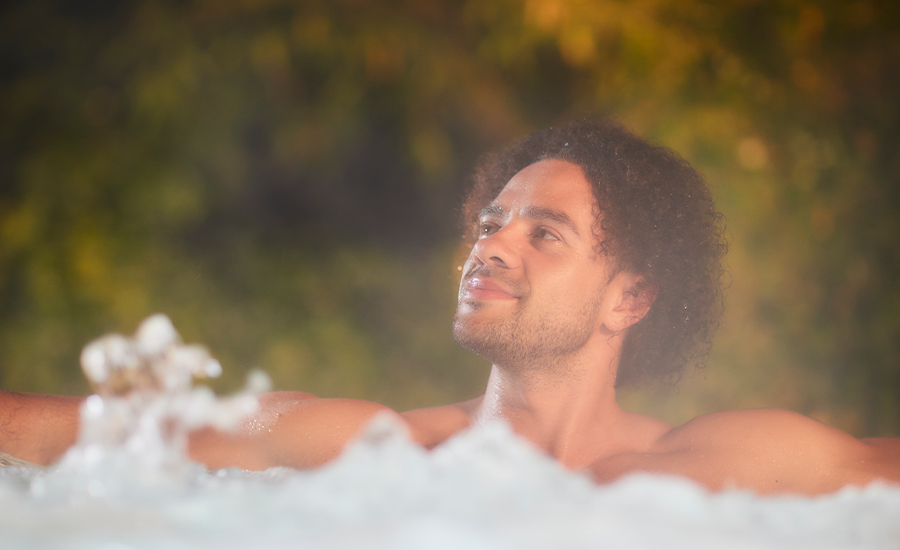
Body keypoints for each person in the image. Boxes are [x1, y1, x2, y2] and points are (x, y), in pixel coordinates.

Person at [2, 119, 898, 495]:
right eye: (491, 222)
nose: (490, 248)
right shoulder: (375, 450)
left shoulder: (725, 464)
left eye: (545, 234)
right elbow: (54, 439)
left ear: (630, 296)